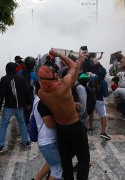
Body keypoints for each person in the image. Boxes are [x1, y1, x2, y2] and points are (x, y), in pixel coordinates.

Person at [37, 49, 90, 180]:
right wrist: (58, 54)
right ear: (54, 76)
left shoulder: (41, 94)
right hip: (75, 127)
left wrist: (72, 105)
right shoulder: (64, 85)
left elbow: (59, 104)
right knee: (83, 159)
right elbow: (73, 66)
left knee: (66, 163)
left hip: (61, 130)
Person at [0, 62, 31, 153]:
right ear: (15, 69)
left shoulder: (4, 79)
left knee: (3, 126)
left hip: (8, 107)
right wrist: (28, 103)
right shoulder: (22, 78)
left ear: (6, 69)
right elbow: (27, 91)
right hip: (20, 107)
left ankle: (0, 146)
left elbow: (1, 94)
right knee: (22, 123)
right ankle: (26, 142)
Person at [32, 82, 63, 180]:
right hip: (48, 142)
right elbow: (50, 124)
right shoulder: (42, 103)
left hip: (46, 140)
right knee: (57, 171)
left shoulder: (36, 99)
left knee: (51, 163)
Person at [88, 67, 111, 140]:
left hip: (91, 99)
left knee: (91, 113)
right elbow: (105, 95)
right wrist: (110, 92)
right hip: (99, 101)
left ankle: (90, 128)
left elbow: (89, 87)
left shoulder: (92, 78)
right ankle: (103, 132)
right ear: (104, 75)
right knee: (103, 116)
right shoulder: (104, 83)